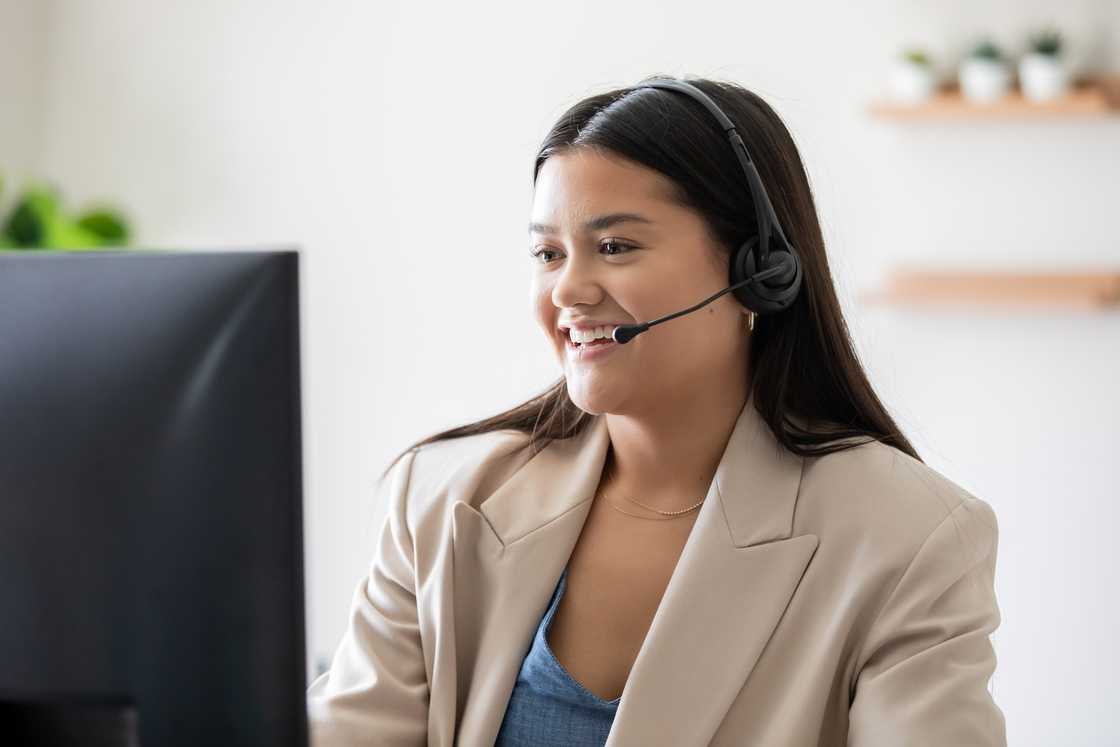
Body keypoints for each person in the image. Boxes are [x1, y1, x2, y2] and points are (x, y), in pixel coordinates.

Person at [306, 75, 1006, 746]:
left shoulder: (907, 537)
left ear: (757, 272)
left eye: (615, 246)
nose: (568, 290)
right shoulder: (440, 501)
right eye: (548, 253)